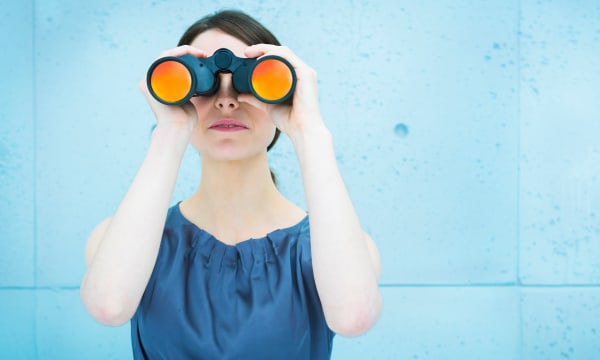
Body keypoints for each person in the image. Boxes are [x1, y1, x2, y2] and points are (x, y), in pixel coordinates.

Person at [80, 9, 382, 359]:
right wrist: (170, 131)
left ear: (284, 92)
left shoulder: (336, 249)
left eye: (247, 81)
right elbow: (108, 306)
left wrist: (309, 131)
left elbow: (353, 317)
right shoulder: (121, 241)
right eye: (204, 82)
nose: (226, 101)